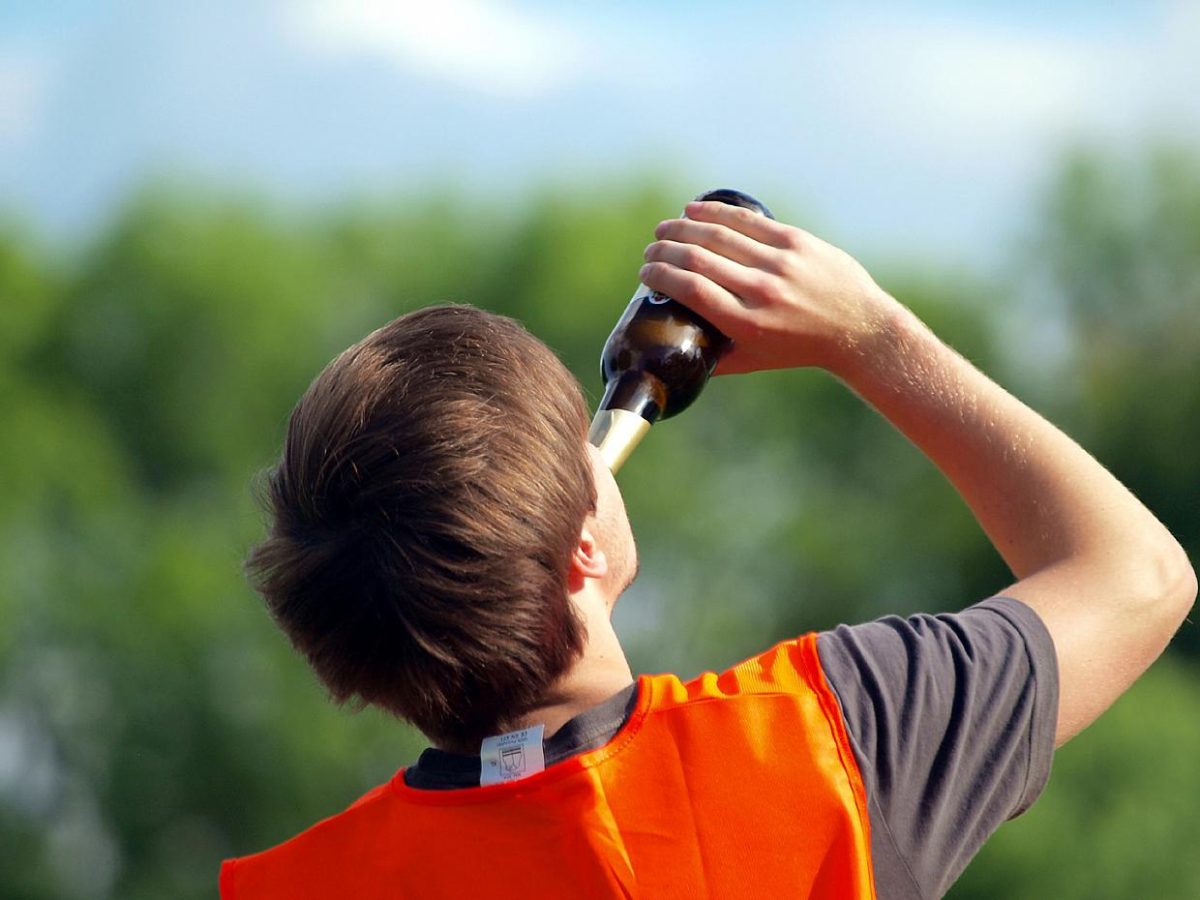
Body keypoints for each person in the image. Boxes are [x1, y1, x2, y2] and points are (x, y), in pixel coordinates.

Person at [220, 201, 1195, 899]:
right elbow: (1138, 574)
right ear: (580, 561)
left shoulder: (294, 884)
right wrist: (870, 336)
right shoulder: (821, 745)